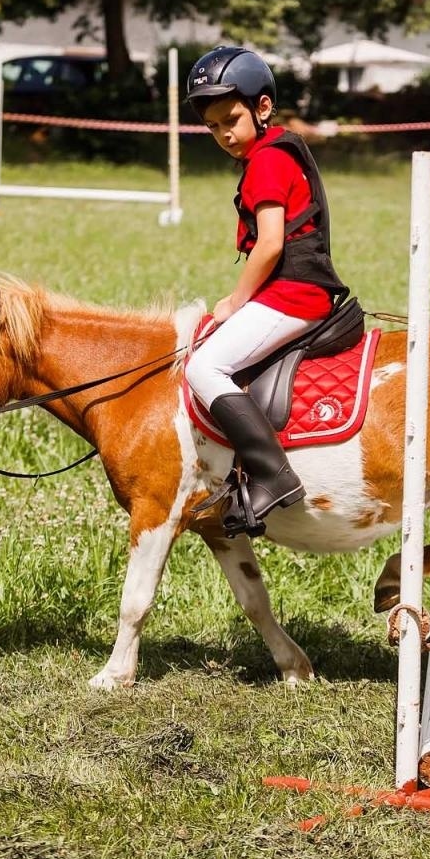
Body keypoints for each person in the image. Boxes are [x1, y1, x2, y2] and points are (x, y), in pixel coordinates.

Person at [183, 46, 351, 536]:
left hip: (295, 294)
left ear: (262, 107)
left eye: (231, 120)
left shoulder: (268, 162)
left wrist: (236, 302)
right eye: (213, 127)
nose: (224, 134)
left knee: (203, 367)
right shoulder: (273, 152)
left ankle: (273, 474)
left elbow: (271, 243)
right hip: (293, 290)